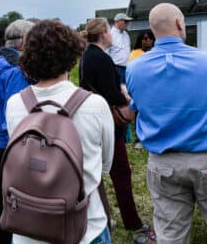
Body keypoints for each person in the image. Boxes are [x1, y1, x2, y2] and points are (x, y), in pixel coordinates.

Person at [127, 3, 207, 244]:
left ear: (152, 31)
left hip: (163, 163)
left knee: (171, 235)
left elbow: (137, 104)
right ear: (180, 24)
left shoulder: (134, 68)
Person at [6, 19, 115, 244]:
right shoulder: (95, 105)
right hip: (84, 228)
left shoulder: (15, 104)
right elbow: (105, 166)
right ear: (72, 57)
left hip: (28, 229)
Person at [79, 18, 155, 244]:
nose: (112, 35)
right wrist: (127, 98)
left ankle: (101, 217)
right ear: (103, 33)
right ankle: (134, 225)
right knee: (121, 174)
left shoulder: (87, 56)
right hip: (109, 123)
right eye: (109, 31)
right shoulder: (101, 58)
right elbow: (110, 93)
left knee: (96, 174)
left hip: (92, 121)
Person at [0, 19, 35, 244]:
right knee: (9, 201)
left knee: (2, 196)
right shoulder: (16, 70)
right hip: (4, 141)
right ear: (23, 42)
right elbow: (15, 115)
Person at [128, 29, 155, 150]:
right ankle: (140, 139)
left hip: (155, 89)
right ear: (140, 40)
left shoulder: (157, 52)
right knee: (140, 113)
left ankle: (153, 138)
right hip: (141, 89)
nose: (148, 40)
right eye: (145, 38)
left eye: (150, 38)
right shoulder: (135, 53)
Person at [107, 13, 133, 84]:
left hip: (127, 68)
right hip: (115, 68)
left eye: (128, 21)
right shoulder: (110, 34)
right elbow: (106, 53)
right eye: (125, 21)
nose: (127, 23)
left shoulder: (126, 35)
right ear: (117, 21)